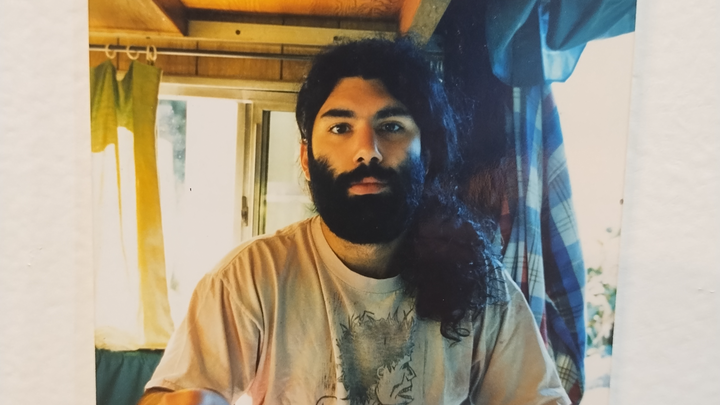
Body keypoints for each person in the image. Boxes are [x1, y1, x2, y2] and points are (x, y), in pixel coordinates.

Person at [139, 38, 570, 405]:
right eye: (340, 128)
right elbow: (174, 394)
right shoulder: (251, 278)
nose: (367, 151)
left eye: (392, 126)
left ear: (427, 155)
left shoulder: (480, 283)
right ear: (306, 159)